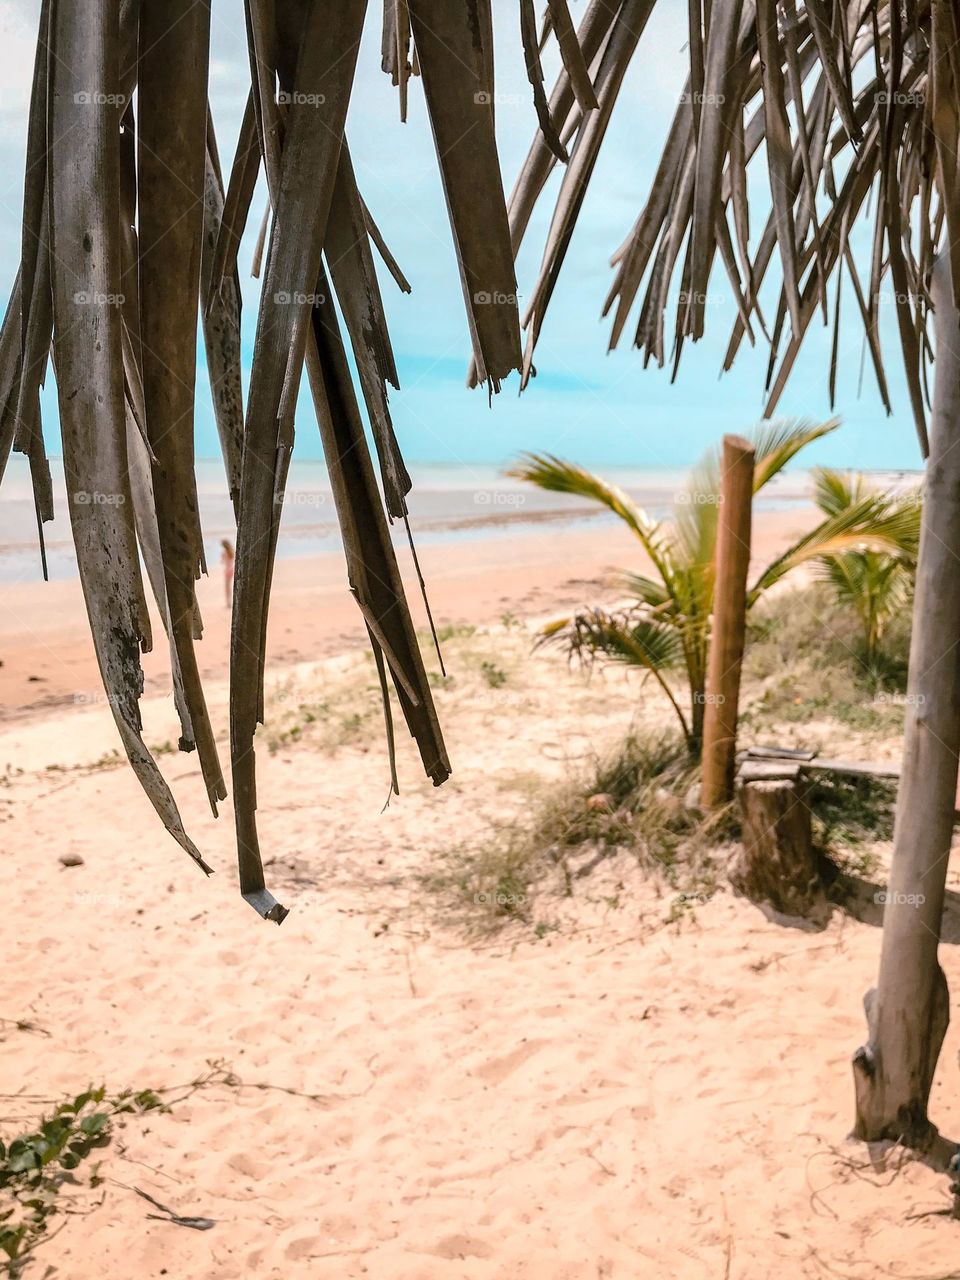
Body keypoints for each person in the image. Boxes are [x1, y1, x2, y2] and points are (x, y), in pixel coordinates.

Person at [220, 539, 234, 609]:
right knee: (229, 587)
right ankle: (230, 602)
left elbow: (222, 561)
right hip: (231, 570)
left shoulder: (224, 553)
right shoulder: (232, 551)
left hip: (227, 571)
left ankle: (228, 603)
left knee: (227, 588)